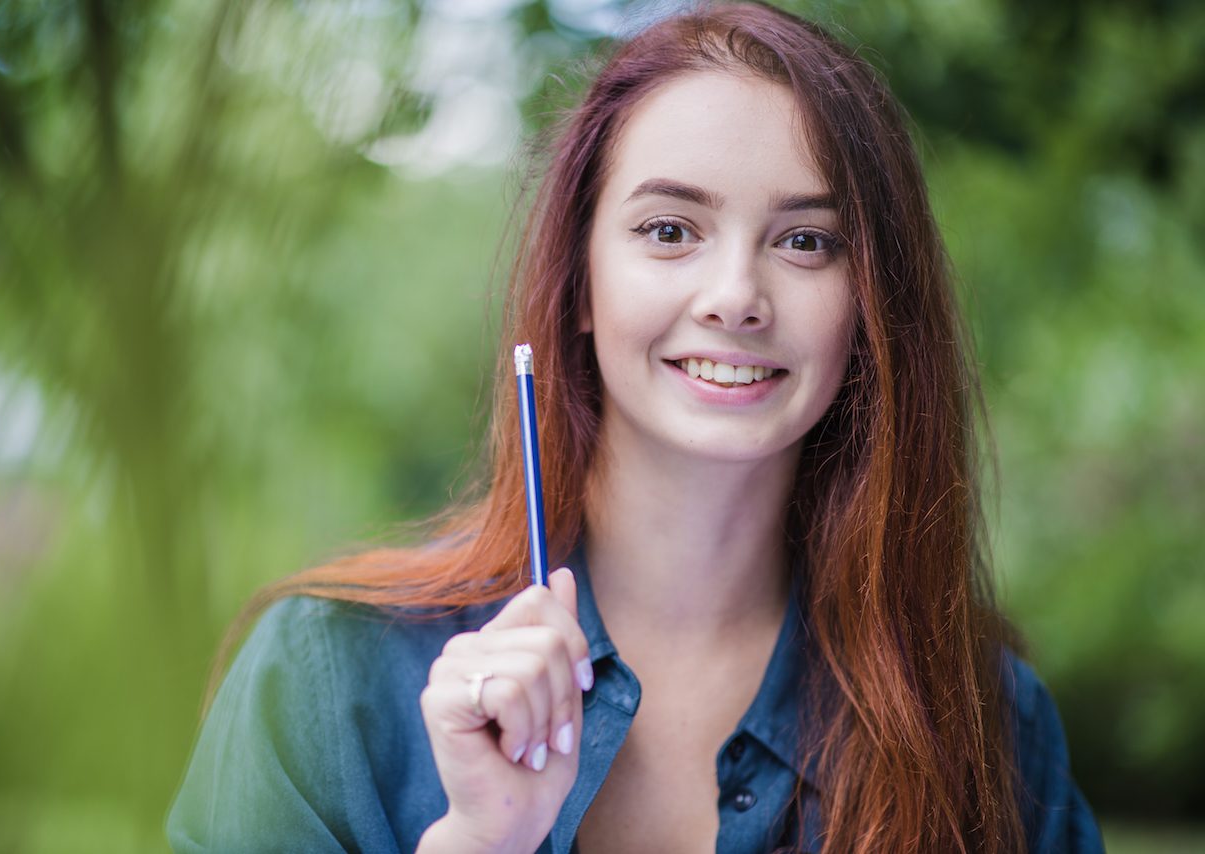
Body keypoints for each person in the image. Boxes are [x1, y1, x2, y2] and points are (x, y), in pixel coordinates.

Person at [166, 2, 1104, 851]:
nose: (736, 296)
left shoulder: (989, 726)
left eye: (806, 241)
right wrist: (480, 843)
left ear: (871, 308)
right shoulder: (325, 681)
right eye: (669, 231)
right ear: (578, 283)